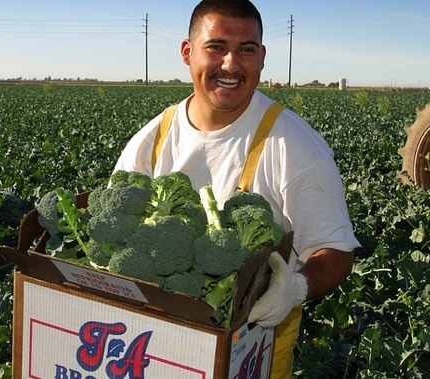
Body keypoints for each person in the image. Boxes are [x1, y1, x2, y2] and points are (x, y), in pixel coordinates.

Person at [112, 0, 361, 377]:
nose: (231, 64)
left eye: (246, 50)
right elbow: (111, 224)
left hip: (253, 357)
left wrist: (294, 289)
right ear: (187, 52)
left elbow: (337, 250)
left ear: (261, 58)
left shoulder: (294, 145)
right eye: (216, 47)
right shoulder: (153, 140)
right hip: (154, 351)